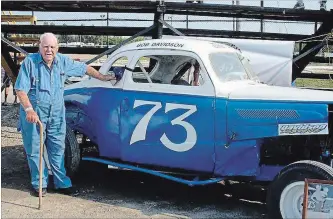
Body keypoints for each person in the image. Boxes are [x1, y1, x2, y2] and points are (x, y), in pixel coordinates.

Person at [14, 32, 116, 197]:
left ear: (57, 48)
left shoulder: (62, 61)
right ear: (39, 47)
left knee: (57, 148)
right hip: (35, 115)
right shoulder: (30, 63)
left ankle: (62, 183)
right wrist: (28, 109)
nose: (49, 50)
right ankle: (39, 184)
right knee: (35, 149)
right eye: (45, 46)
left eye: (52, 47)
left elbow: (85, 69)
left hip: (56, 114)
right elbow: (20, 89)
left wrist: (103, 77)